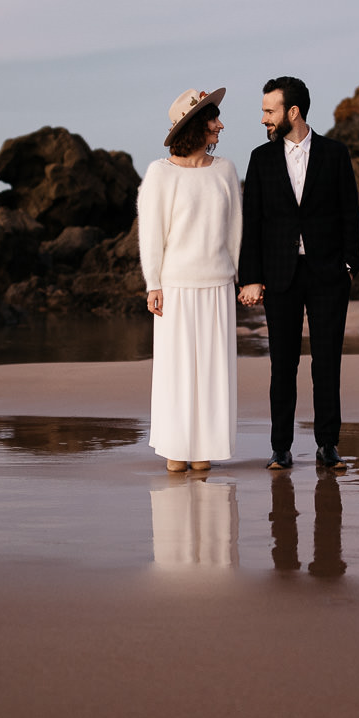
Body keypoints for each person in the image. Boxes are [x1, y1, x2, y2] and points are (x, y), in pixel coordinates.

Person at [237, 76, 359, 470]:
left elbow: (350, 214)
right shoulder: (260, 159)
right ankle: (281, 448)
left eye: (269, 111)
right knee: (283, 363)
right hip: (280, 275)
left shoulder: (335, 153)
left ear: (293, 112)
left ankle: (328, 445)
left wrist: (349, 266)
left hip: (328, 273)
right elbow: (252, 222)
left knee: (326, 362)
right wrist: (251, 277)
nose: (263, 119)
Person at [138, 88, 242, 473]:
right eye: (213, 119)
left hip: (217, 285)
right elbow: (151, 234)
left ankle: (206, 448)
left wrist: (238, 278)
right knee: (176, 373)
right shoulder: (160, 173)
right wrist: (153, 284)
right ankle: (175, 449)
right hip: (176, 289)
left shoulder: (226, 170)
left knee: (214, 373)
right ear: (195, 125)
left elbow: (235, 232)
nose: (220, 125)